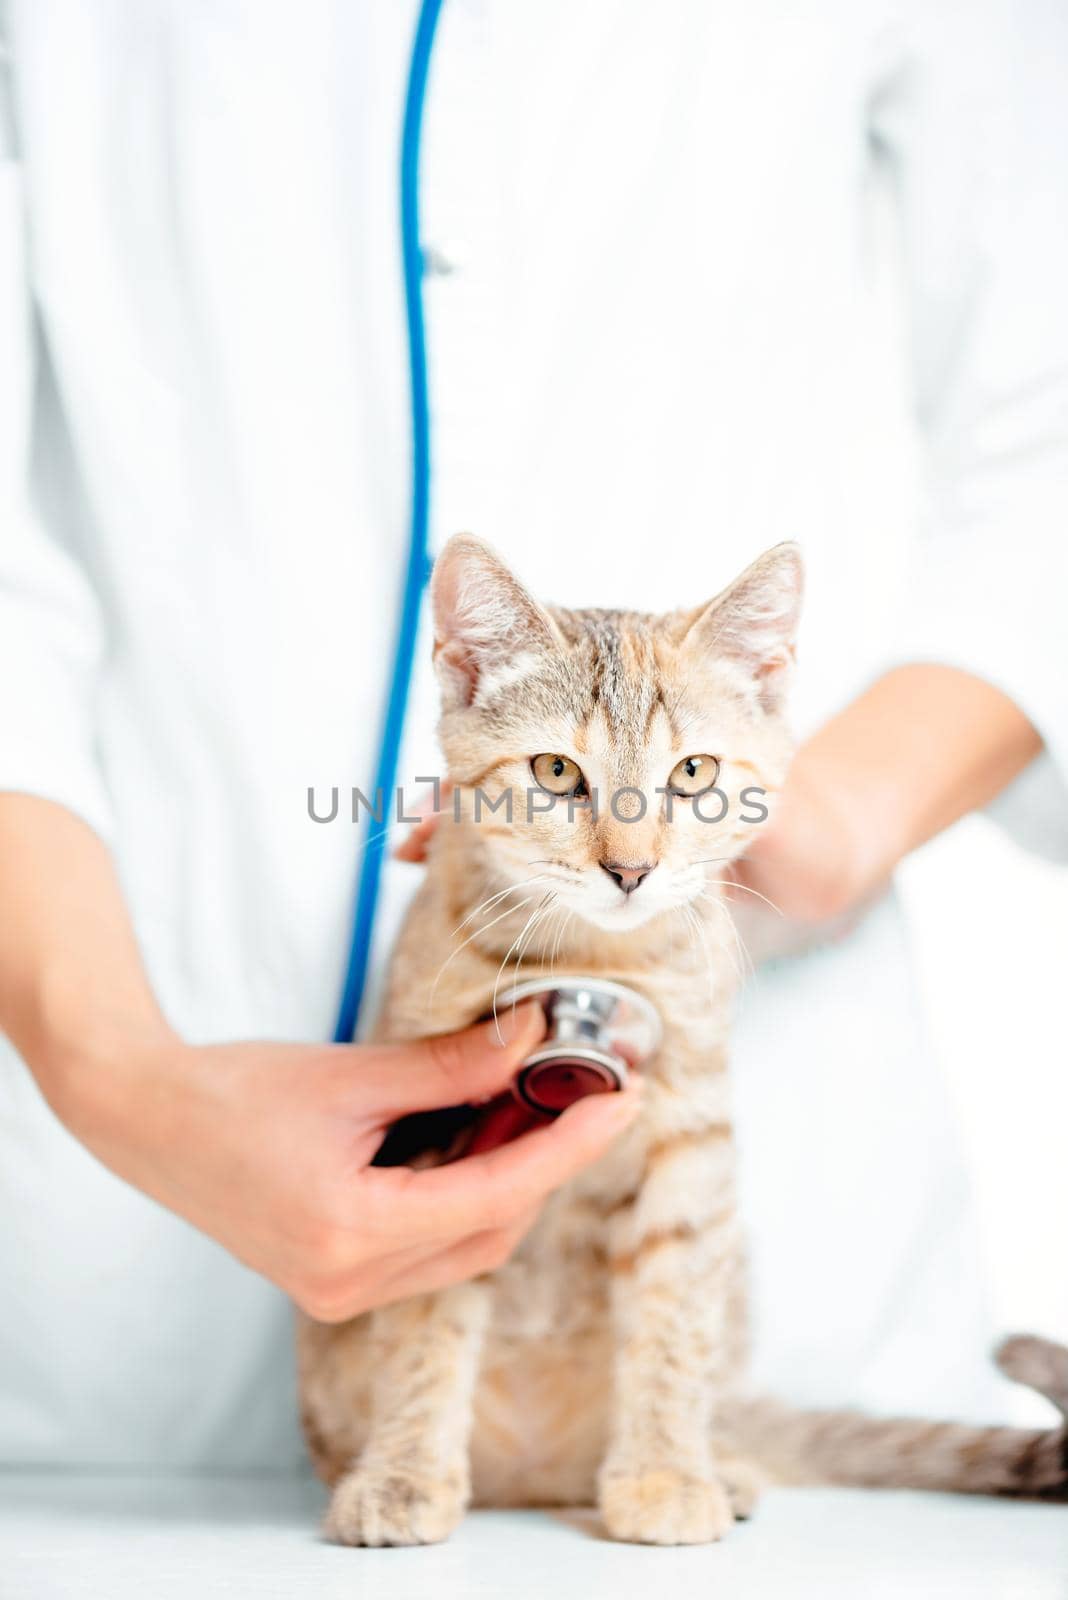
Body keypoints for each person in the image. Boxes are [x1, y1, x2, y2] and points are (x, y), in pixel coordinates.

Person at [1, 0, 1065, 1470]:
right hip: (142, 1203)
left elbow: (1049, 431)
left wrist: (822, 815)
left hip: (781, 1154)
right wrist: (114, 1069)